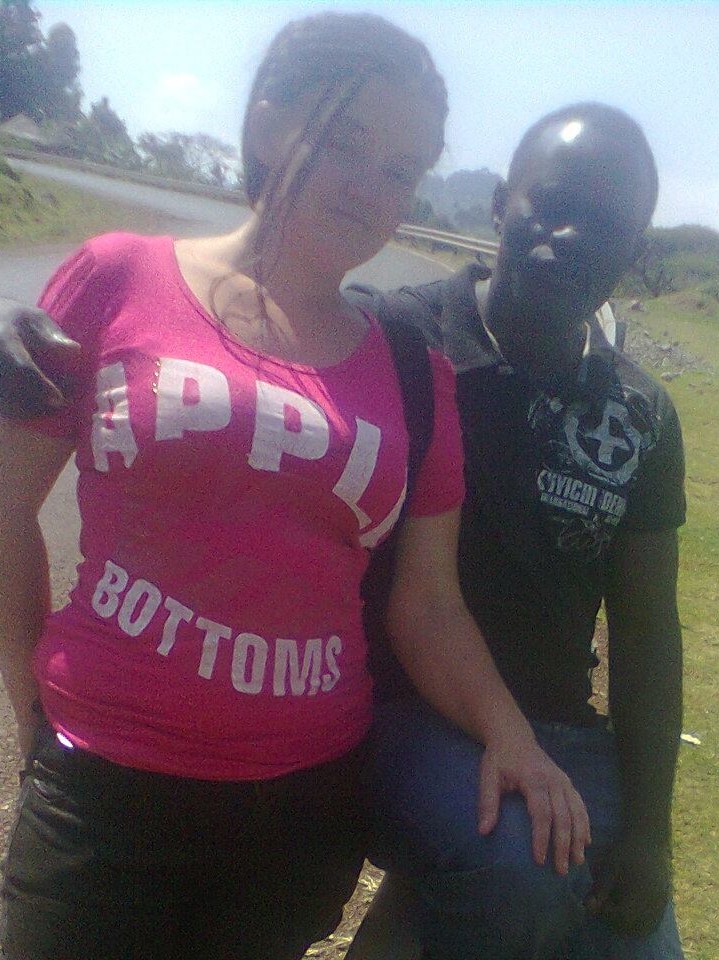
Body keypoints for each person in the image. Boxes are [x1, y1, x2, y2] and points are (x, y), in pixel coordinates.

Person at [0, 14, 590, 960]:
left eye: (401, 170)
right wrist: (33, 711)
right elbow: (7, 508)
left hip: (298, 812)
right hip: (102, 796)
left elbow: (428, 605)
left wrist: (512, 737)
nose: (370, 188)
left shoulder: (413, 368)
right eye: (346, 141)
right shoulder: (117, 276)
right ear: (270, 123)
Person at [347, 103, 685, 960]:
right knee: (520, 875)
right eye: (552, 203)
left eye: (605, 226)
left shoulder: (638, 414)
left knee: (633, 931)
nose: (569, 237)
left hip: (563, 738)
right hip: (402, 717)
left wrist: (648, 835)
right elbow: (244, 344)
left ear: (633, 256)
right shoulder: (395, 335)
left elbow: (647, 630)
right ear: (501, 202)